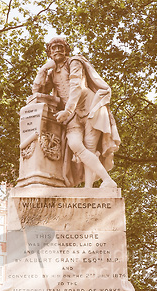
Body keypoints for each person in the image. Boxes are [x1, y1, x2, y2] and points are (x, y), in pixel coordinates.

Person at [32, 36, 120, 188]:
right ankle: (108, 180)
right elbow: (37, 91)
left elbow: (76, 86)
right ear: (49, 53)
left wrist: (67, 110)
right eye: (54, 48)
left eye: (61, 46)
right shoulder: (52, 72)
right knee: (75, 145)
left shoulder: (74, 62)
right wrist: (43, 69)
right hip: (72, 116)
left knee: (90, 147)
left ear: (66, 49)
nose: (58, 50)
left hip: (90, 108)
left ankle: (90, 188)